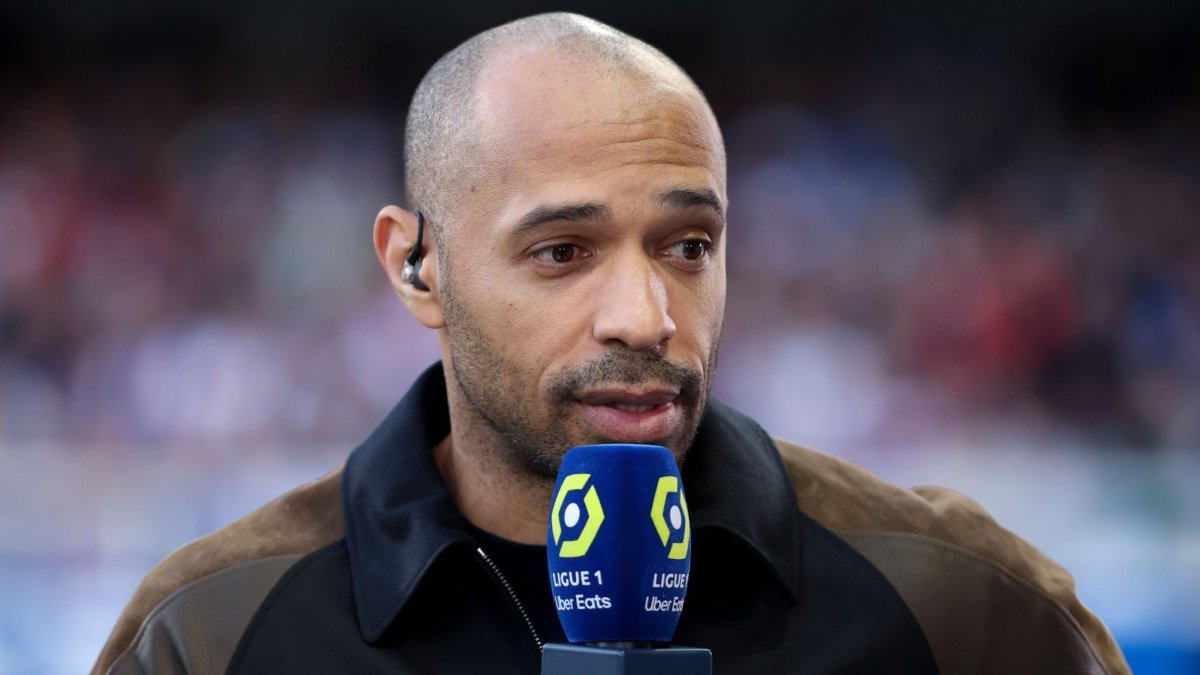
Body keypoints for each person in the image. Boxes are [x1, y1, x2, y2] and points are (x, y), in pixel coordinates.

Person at [94, 12, 1129, 675]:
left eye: (688, 244)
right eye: (561, 251)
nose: (645, 315)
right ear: (417, 267)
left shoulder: (969, 609)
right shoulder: (213, 633)